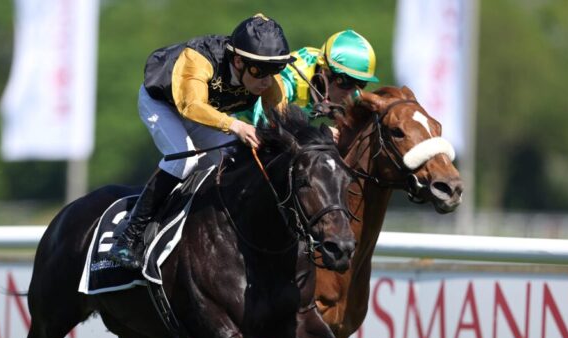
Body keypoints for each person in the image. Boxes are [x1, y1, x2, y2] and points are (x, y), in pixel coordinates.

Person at [108, 14, 294, 270]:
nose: (267, 80)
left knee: (233, 158)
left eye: (275, 70)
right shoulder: (199, 59)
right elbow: (191, 106)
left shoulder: (267, 79)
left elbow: (281, 124)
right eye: (260, 71)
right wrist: (235, 124)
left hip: (206, 111)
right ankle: (128, 236)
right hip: (164, 105)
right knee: (184, 160)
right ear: (238, 61)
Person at [244, 29, 379, 132]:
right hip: (236, 123)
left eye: (361, 84)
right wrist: (320, 134)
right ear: (325, 71)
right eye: (345, 81)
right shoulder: (289, 79)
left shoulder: (349, 92)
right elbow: (266, 127)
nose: (352, 92)